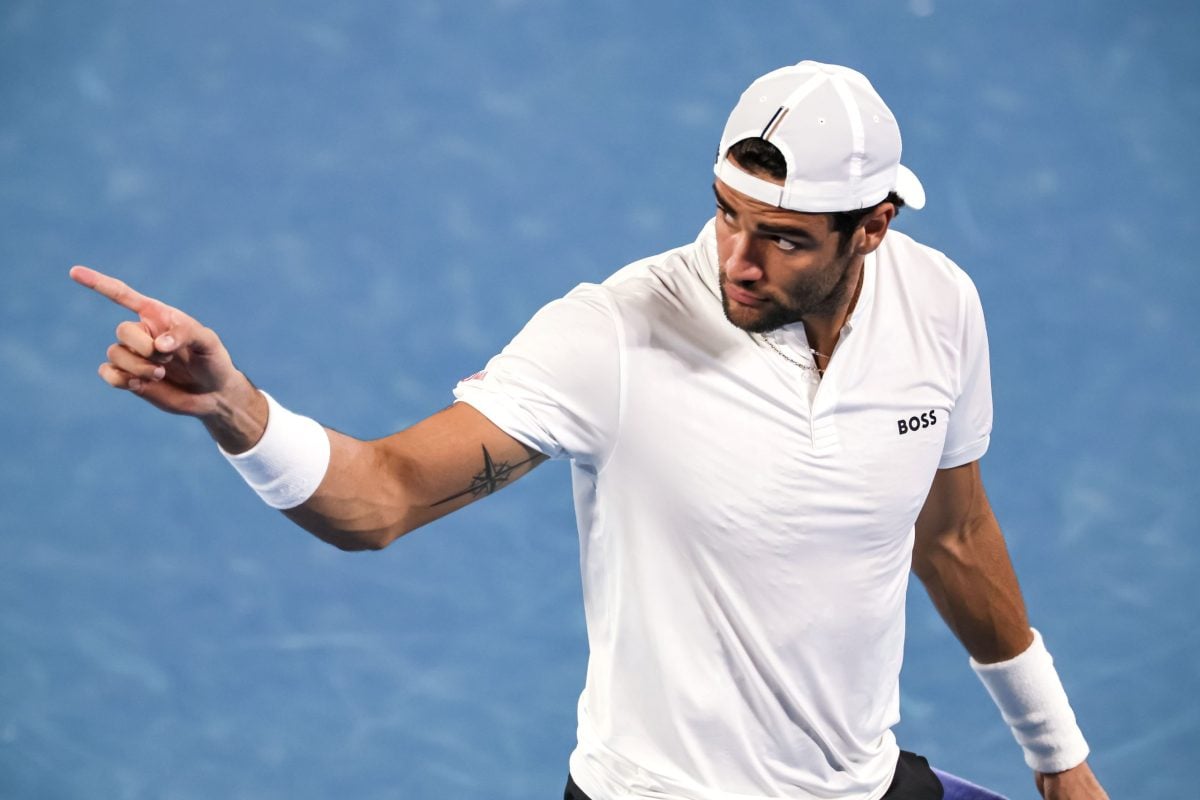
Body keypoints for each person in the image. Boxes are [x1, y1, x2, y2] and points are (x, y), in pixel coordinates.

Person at [72, 61, 1108, 800]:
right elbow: (379, 497)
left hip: (857, 781)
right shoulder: (614, 333)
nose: (736, 258)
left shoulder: (938, 305)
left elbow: (955, 535)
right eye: (726, 213)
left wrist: (1059, 755)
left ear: (873, 227)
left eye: (784, 238)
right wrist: (235, 406)